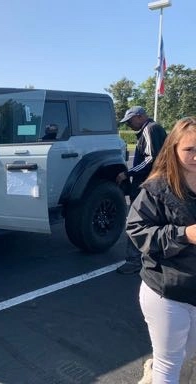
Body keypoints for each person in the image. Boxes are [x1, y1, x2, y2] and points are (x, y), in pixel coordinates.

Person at [126, 116, 196, 383]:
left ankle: (154, 370)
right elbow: (137, 231)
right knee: (170, 364)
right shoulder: (157, 189)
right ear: (174, 150)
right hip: (167, 291)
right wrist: (184, 234)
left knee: (186, 353)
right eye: (189, 149)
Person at [116, 106, 167, 274]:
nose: (129, 125)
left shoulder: (149, 129)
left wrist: (128, 172)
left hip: (147, 185)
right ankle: (156, 258)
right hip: (156, 184)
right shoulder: (154, 129)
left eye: (130, 120)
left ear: (140, 117)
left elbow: (151, 158)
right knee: (155, 222)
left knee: (134, 222)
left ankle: (134, 261)